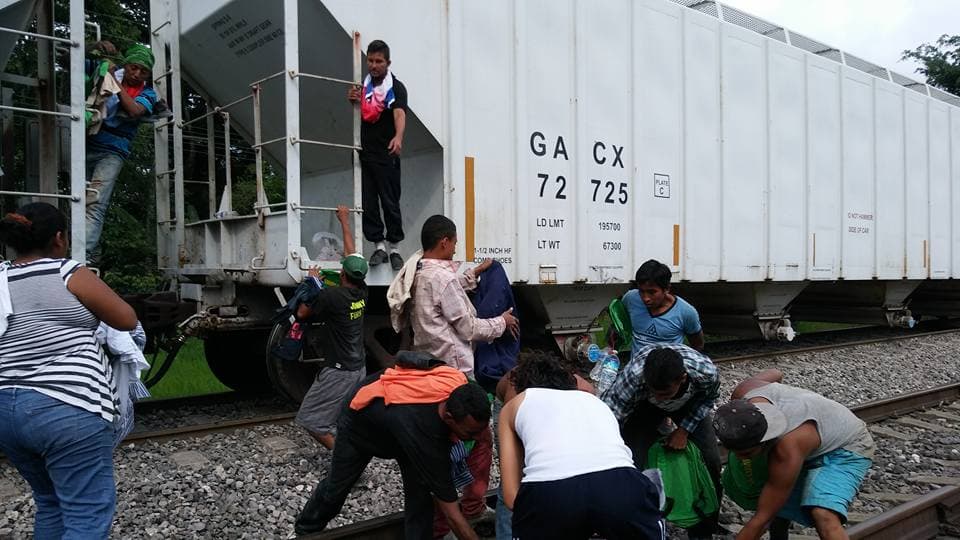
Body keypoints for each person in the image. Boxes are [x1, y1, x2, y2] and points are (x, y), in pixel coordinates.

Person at [0, 202, 138, 538]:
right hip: (67, 408)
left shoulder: (1, 277)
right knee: (86, 512)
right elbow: (126, 319)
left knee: (50, 502)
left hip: (6, 410)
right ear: (59, 238)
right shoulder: (68, 272)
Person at [294, 352, 490, 540]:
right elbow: (452, 515)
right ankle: (306, 530)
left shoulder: (456, 382)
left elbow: (410, 357)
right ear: (449, 418)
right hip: (360, 425)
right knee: (336, 488)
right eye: (470, 433)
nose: (476, 437)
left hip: (400, 426)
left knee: (420, 496)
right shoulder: (421, 431)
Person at [406, 214, 518, 535]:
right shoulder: (442, 279)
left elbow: (449, 293)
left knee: (445, 443)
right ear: (444, 242)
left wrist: (474, 274)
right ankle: (462, 512)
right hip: (454, 376)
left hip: (430, 371)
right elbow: (469, 327)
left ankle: (446, 515)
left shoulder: (420, 272)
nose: (456, 248)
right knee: (478, 439)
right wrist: (502, 323)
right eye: (454, 243)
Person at [498, 352, 665, 539]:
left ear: (522, 386)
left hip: (550, 494)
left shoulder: (514, 405)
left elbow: (511, 496)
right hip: (622, 486)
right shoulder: (595, 402)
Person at [714, 370, 875, 540]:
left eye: (747, 453)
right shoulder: (744, 394)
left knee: (823, 513)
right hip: (818, 433)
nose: (740, 458)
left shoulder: (787, 448)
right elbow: (776, 373)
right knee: (778, 502)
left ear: (764, 440)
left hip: (847, 447)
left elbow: (762, 519)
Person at [601, 344, 721, 539]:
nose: (659, 397)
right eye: (653, 390)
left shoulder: (705, 372)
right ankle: (642, 525)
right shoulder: (634, 378)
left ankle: (704, 527)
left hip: (689, 404)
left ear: (682, 378)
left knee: (711, 461)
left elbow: (708, 399)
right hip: (644, 407)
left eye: (663, 393)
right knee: (633, 464)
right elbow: (613, 416)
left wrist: (683, 430)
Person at [492, 351, 597, 540]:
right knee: (514, 480)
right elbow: (511, 495)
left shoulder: (577, 388)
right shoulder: (515, 399)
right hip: (511, 419)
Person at [294, 205, 368, 450]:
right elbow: (351, 253)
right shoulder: (361, 290)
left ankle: (345, 464)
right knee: (344, 419)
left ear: (342, 273)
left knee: (311, 420)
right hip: (356, 367)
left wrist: (314, 280)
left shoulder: (332, 298)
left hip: (339, 371)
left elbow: (302, 313)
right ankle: (352, 454)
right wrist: (344, 221)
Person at [85, 41, 158, 261]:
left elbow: (135, 110)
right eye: (133, 67)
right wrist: (96, 46)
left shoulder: (149, 94)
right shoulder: (105, 71)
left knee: (95, 203)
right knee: (77, 200)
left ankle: (84, 255)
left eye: (143, 71)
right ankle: (84, 251)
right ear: (125, 65)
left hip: (113, 151)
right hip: (86, 142)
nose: (136, 74)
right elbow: (74, 57)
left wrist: (114, 82)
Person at [348, 39, 407, 270]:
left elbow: (400, 115)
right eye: (370, 60)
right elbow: (359, 114)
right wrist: (353, 100)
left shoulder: (396, 88)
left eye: (378, 61)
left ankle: (394, 248)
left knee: (390, 201)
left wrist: (398, 137)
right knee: (369, 203)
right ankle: (378, 247)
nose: (373, 65)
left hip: (387, 153)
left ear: (387, 62)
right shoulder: (363, 88)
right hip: (366, 153)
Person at [623, 259, 704, 351]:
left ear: (667, 289)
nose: (646, 298)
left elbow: (698, 345)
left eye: (652, 292)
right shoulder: (631, 298)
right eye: (641, 291)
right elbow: (619, 320)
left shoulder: (686, 312)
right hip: (637, 364)